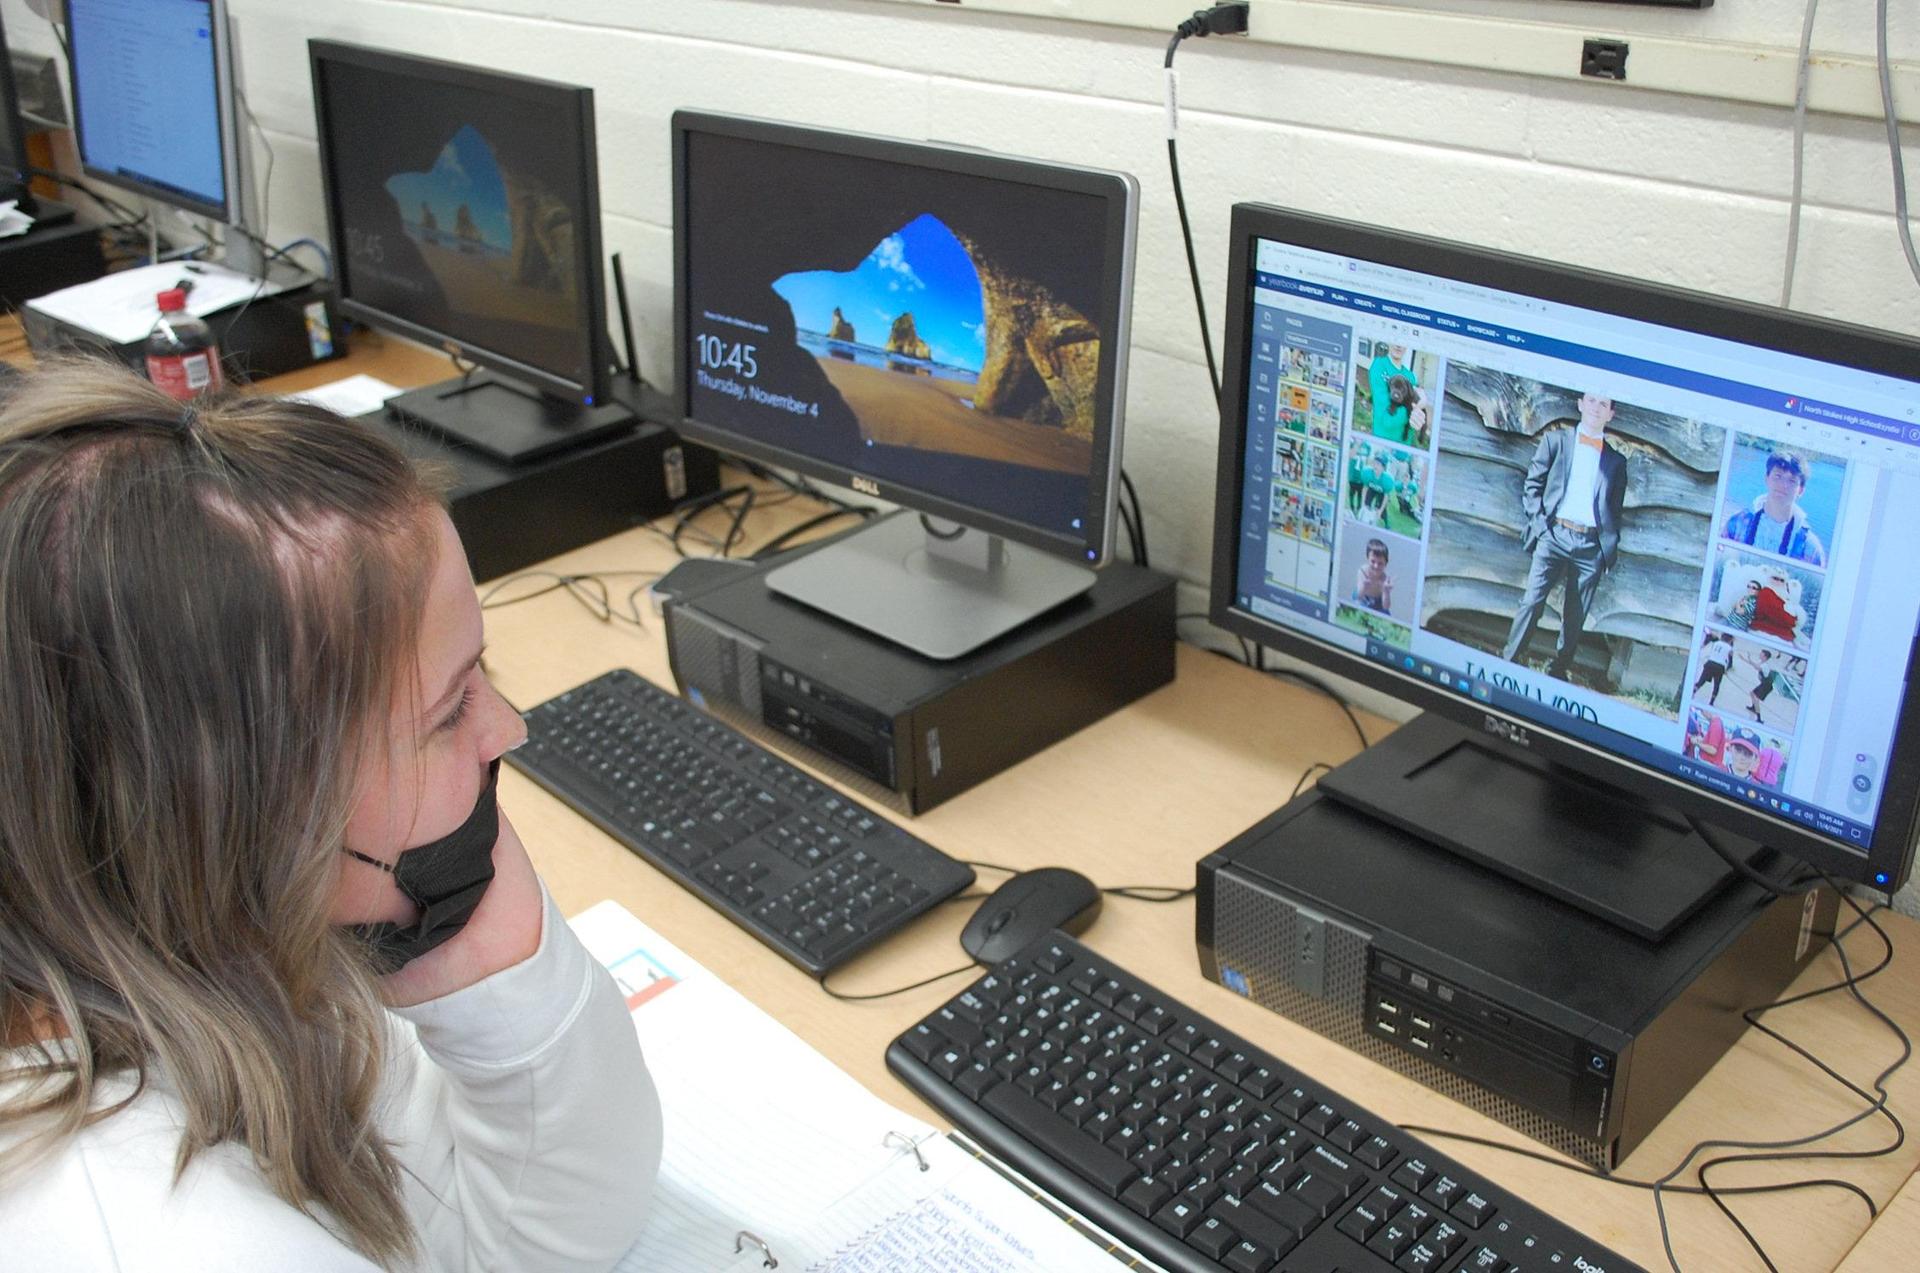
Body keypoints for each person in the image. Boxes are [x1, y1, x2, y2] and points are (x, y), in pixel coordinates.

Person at [0, 360, 662, 1270]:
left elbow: (513, 1244)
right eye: (449, 706)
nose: (510, 725)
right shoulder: (191, 1240)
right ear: (237, 812)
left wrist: (489, 957)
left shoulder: (210, 963)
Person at [1501, 393, 1629, 679]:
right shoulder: (1555, 441)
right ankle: (1510, 660)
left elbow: (1615, 509)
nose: (1596, 408)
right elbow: (1532, 485)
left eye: (1604, 404)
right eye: (1592, 401)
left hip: (1590, 546)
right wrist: (1541, 527)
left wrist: (1606, 547)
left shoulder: (1616, 461)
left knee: (1575, 616)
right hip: (1553, 535)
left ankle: (1558, 670)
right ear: (1581, 404)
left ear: (1611, 414)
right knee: (1532, 600)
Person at [1723, 450, 1827, 566]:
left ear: (1801, 490)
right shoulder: (1737, 523)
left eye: (1792, 481)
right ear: (1766, 478)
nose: (1783, 485)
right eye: (1778, 476)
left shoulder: (1810, 548)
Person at [1367, 345, 1418, 443]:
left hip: (1405, 444)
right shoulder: (1379, 365)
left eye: (1403, 341)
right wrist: (1415, 407)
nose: (1399, 345)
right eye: (1396, 339)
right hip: (1382, 441)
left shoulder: (1410, 377)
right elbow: (1388, 419)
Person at [1354, 538, 1394, 614]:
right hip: (1363, 597)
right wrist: (1364, 587)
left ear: (1386, 564)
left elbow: (1386, 606)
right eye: (1373, 561)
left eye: (1380, 563)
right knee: (1357, 605)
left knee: (1387, 615)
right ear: (1367, 559)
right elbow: (1358, 596)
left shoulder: (1384, 579)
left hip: (1378, 602)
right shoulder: (1363, 572)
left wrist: (1386, 592)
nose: (1376, 566)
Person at [1693, 632, 1736, 704]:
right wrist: (1726, 670)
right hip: (1720, 667)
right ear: (1730, 640)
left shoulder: (1716, 643)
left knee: (1701, 681)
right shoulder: (1730, 649)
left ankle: (1693, 692)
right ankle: (1711, 702)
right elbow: (1730, 663)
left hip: (1710, 663)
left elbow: (1711, 636)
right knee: (1716, 685)